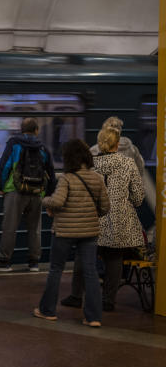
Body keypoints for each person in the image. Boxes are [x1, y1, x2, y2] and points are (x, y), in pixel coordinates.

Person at [63, 127, 143, 311]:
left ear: (100, 143)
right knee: (114, 258)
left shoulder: (90, 166)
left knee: (83, 256)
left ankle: (76, 296)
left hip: (93, 217)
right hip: (120, 220)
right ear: (117, 144)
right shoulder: (129, 164)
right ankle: (108, 301)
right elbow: (138, 198)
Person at [34, 139, 109, 327]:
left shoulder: (67, 178)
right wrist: (91, 215)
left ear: (69, 158)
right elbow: (105, 207)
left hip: (65, 232)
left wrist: (44, 201)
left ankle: (47, 310)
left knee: (56, 269)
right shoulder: (96, 178)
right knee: (91, 272)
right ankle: (93, 317)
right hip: (90, 232)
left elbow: (58, 202)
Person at [0, 118, 56, 272]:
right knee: (35, 228)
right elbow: (50, 172)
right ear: (36, 130)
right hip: (37, 192)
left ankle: (4, 262)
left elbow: (5, 165)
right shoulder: (43, 148)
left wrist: (0, 186)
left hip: (15, 190)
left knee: (10, 227)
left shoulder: (14, 144)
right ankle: (34, 262)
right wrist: (48, 193)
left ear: (21, 130)